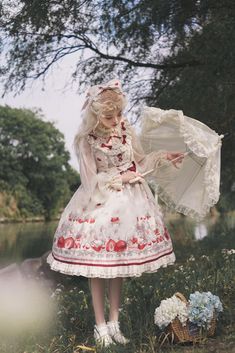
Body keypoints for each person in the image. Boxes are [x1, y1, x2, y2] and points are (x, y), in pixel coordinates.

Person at [46, 78, 184, 347]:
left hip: (130, 204)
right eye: (110, 115)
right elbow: (89, 180)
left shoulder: (125, 130)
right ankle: (100, 327)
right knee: (98, 268)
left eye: (119, 113)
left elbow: (141, 162)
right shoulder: (86, 140)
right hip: (100, 202)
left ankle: (114, 323)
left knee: (119, 264)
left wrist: (163, 157)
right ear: (96, 114)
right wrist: (120, 178)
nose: (117, 119)